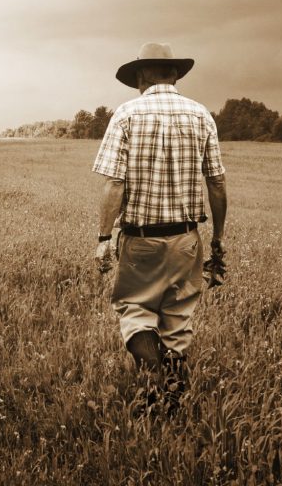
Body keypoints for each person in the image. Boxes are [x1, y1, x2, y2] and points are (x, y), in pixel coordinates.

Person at [92, 42, 228, 415]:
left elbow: (114, 183)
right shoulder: (201, 115)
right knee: (178, 318)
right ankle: (172, 399)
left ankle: (153, 377)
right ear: (174, 75)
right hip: (186, 239)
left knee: (135, 310)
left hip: (140, 240)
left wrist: (104, 238)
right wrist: (217, 239)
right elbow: (216, 182)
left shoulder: (126, 114)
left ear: (140, 76)